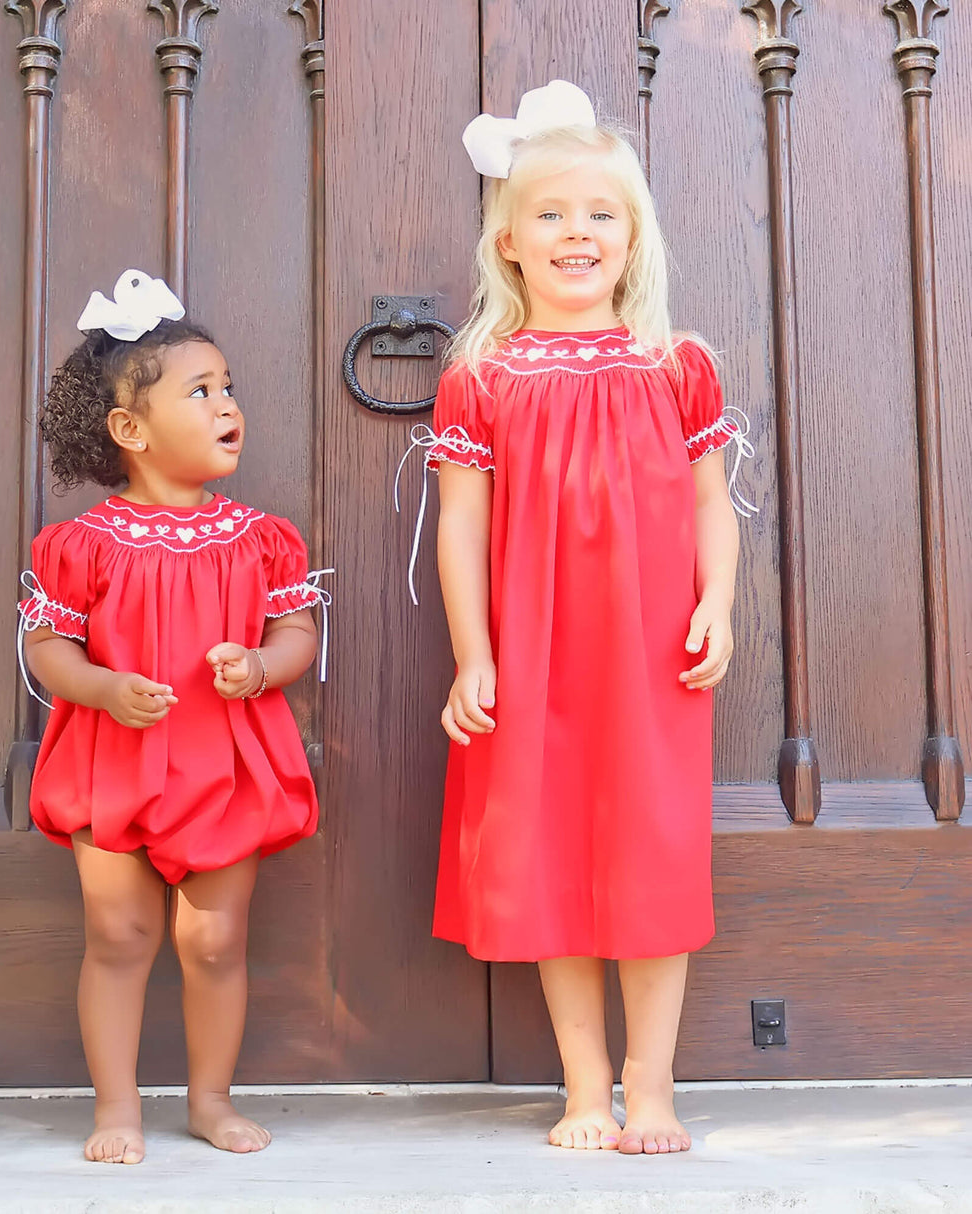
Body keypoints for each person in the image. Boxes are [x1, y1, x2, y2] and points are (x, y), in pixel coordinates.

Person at [409, 81, 755, 1154]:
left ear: (631, 235)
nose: (576, 231)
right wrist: (473, 656)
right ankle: (585, 1084)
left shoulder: (675, 364)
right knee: (551, 855)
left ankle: (652, 1084)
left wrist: (717, 603)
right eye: (551, 213)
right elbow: (460, 525)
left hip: (653, 653)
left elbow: (711, 501)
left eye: (600, 212)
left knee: (651, 854)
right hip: (533, 653)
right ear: (508, 241)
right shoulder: (481, 376)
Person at [17, 269, 329, 1164]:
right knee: (118, 935)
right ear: (130, 430)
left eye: (228, 387)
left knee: (216, 939)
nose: (227, 404)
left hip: (223, 765)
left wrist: (261, 667)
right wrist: (102, 687)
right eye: (201, 392)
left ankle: (209, 1100)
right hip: (113, 760)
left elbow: (297, 632)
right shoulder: (81, 545)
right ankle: (116, 1108)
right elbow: (47, 648)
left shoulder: (259, 539)